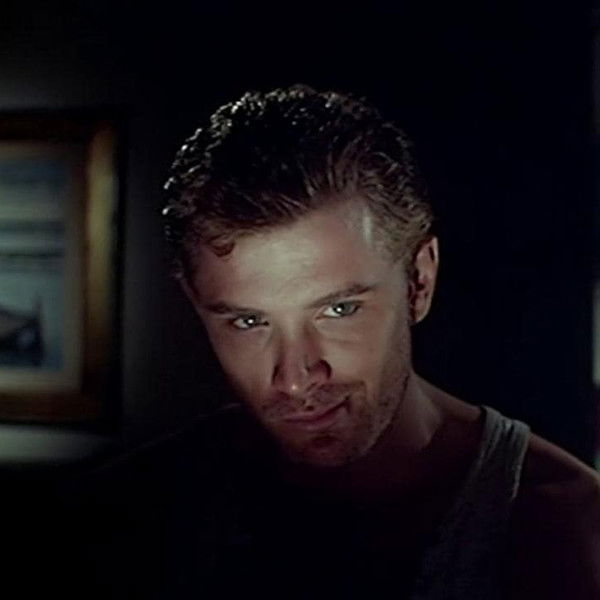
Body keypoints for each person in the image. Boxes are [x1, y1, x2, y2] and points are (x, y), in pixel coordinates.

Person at [70, 85, 600, 599]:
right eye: (250, 322)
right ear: (194, 303)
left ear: (418, 281)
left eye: (338, 310)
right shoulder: (126, 520)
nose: (295, 378)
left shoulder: (564, 526)